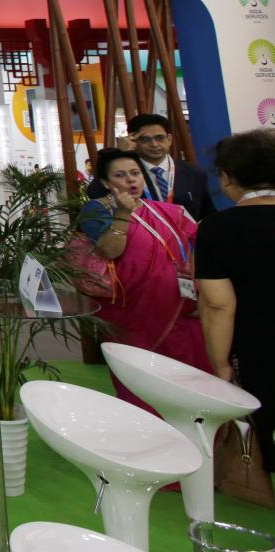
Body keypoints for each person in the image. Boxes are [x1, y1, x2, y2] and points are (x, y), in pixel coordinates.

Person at [78, 147, 212, 413]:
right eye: (120, 175)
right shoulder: (96, 210)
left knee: (188, 374)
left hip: (179, 308)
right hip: (131, 314)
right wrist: (124, 214)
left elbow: (197, 245)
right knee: (140, 377)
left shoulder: (168, 211)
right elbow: (110, 250)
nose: (131, 180)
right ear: (105, 182)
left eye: (135, 173)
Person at [196, 129, 275, 466]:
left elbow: (218, 304)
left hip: (262, 351)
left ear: (226, 177)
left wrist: (221, 364)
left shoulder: (217, 228)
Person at [86, 113, 215, 222]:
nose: (154, 144)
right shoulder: (125, 173)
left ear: (169, 139)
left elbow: (208, 214)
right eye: (145, 139)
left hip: (187, 246)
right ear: (133, 141)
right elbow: (94, 193)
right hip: (140, 244)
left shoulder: (193, 173)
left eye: (160, 138)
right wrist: (119, 154)